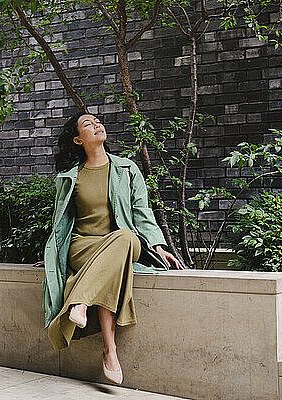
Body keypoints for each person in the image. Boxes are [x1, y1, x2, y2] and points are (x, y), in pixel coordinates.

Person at [36, 111, 183, 385]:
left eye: (97, 121)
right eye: (88, 124)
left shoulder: (127, 169)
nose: (97, 125)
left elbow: (142, 211)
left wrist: (157, 245)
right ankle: (109, 349)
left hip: (120, 242)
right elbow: (60, 223)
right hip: (82, 246)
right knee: (113, 269)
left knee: (126, 237)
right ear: (78, 139)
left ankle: (79, 301)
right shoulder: (69, 177)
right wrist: (53, 255)